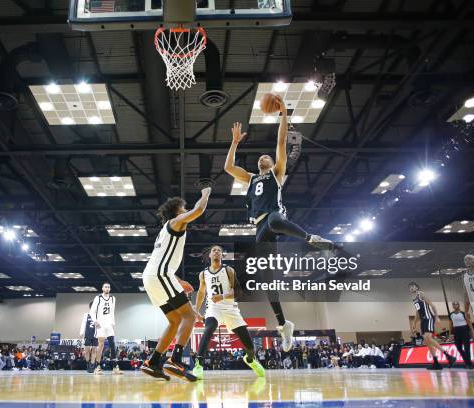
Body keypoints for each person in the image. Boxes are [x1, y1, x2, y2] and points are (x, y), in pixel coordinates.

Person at [224, 98, 334, 352]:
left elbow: (281, 142)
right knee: (266, 280)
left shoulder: (277, 173)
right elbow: (228, 167)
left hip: (275, 217)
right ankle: (284, 325)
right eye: (261, 157)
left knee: (275, 219)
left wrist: (283, 113)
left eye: (268, 157)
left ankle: (312, 240)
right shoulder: (251, 179)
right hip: (260, 229)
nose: (264, 156)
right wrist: (234, 142)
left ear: (273, 164)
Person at [141, 187, 212, 382]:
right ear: (178, 211)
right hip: (160, 275)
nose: (186, 210)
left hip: (152, 277)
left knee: (174, 320)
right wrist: (205, 194)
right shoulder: (175, 223)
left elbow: (161, 259)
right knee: (188, 316)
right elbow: (198, 211)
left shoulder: (165, 232)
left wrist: (178, 281)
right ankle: (175, 359)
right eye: (184, 208)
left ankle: (154, 361)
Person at [192, 245, 265, 380]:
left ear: (222, 255)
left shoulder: (228, 270)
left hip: (230, 309)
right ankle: (199, 365)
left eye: (219, 250)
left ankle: (250, 359)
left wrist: (222, 296)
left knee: (249, 345)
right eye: (214, 250)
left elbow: (237, 291)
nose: (216, 252)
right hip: (214, 308)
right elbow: (202, 292)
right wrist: (196, 310)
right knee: (209, 330)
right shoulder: (203, 274)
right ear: (210, 255)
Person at [409, 282, 456, 370]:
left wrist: (437, 317)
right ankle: (436, 363)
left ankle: (448, 356)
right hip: (423, 320)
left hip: (428, 318)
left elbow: (432, 304)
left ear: (417, 287)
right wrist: (414, 323)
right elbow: (417, 312)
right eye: (410, 287)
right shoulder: (414, 299)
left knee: (429, 338)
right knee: (427, 341)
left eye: (413, 286)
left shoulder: (421, 294)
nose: (411, 288)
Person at [89, 283, 122, 375]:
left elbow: (112, 312)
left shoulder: (112, 298)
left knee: (112, 344)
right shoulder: (98, 298)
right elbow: (92, 312)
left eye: (109, 287)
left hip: (109, 324)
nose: (107, 288)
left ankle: (115, 367)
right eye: (106, 287)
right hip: (100, 324)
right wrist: (95, 321)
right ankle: (97, 367)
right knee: (101, 345)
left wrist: (113, 324)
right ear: (102, 288)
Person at [449, 301, 474, 369]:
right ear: (453, 306)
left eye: (456, 304)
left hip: (464, 330)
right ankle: (467, 362)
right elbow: (450, 324)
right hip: (456, 331)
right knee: (458, 348)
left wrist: (472, 331)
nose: (455, 305)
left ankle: (469, 364)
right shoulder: (451, 314)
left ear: (459, 305)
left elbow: (469, 322)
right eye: (453, 304)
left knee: (467, 348)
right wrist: (450, 334)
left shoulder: (463, 313)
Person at [80, 300, 99, 373]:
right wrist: (81, 332)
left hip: (96, 335)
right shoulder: (86, 315)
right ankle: (88, 363)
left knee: (94, 350)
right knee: (87, 350)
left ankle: (92, 365)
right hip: (88, 334)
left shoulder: (98, 316)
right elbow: (83, 324)